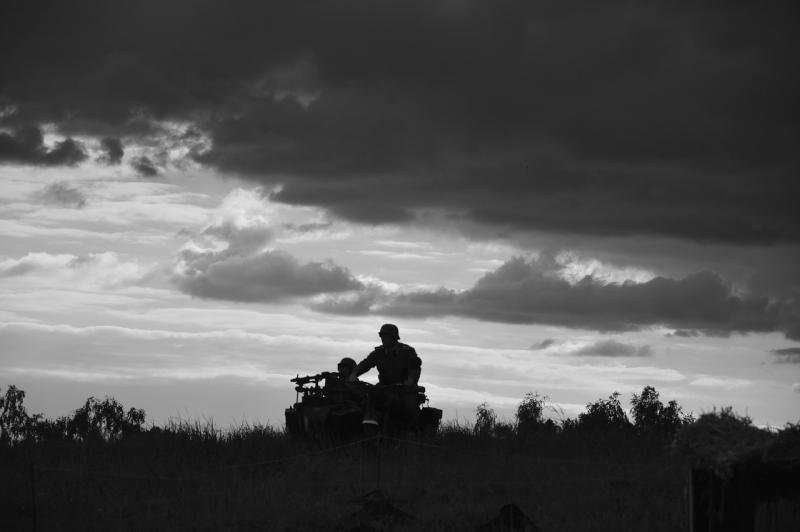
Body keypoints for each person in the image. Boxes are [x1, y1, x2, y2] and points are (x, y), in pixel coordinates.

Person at [349, 323, 422, 435]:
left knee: (409, 406)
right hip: (384, 386)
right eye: (381, 335)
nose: (382, 338)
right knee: (369, 400)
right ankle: (370, 430)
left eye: (385, 335)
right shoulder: (379, 352)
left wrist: (410, 380)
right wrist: (354, 374)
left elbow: (415, 367)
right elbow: (366, 364)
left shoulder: (407, 351)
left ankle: (412, 431)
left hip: (403, 388)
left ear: (393, 337)